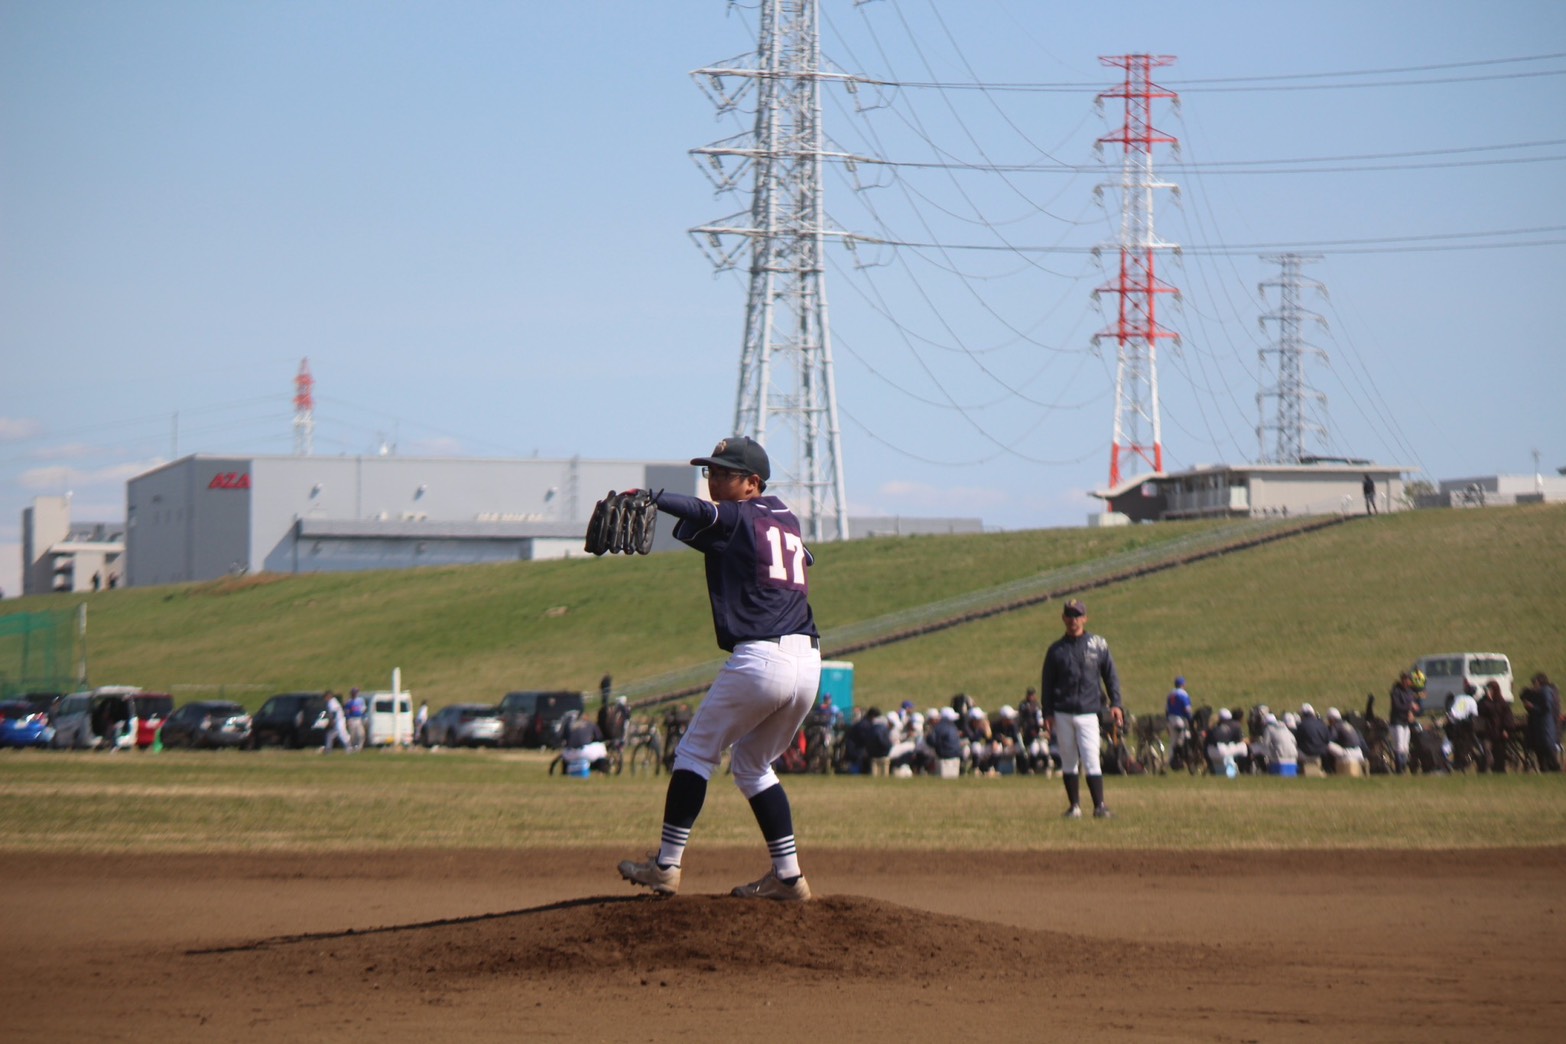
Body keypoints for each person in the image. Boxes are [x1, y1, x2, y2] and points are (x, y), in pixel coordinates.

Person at [618, 436, 822, 902]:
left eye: (724, 474)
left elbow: (705, 515)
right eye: (710, 472)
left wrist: (654, 498)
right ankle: (788, 877)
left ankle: (666, 866)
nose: (713, 480)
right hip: (808, 662)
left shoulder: (740, 513)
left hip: (761, 659)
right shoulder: (785, 518)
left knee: (693, 753)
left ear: (752, 483)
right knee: (752, 765)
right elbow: (793, 556)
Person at [1040, 598, 1123, 819]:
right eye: (1069, 615)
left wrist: (1116, 703)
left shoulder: (1098, 645)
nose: (1073, 620)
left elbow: (1110, 676)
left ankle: (1099, 806)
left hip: (1088, 711)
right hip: (1063, 711)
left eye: (1077, 616)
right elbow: (1047, 683)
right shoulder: (1056, 650)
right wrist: (1047, 712)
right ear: (1063, 618)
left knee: (1091, 757)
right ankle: (1074, 806)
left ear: (1085, 618)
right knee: (1068, 759)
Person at [1520, 673, 1561, 772]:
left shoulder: (1545, 691)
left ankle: (1555, 769)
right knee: (1542, 750)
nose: (1533, 685)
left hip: (1545, 726)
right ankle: (1547, 770)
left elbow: (1547, 708)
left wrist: (1532, 707)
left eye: (1534, 683)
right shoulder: (1542, 692)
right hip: (1541, 726)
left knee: (1547, 749)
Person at [1477, 679, 1515, 774]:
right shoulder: (1482, 702)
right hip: (1487, 731)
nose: (1488, 692)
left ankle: (1499, 771)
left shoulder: (1502, 703)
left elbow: (1508, 717)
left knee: (1499, 753)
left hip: (1499, 732)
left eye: (1490, 689)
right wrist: (1487, 700)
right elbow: (1481, 711)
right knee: (1486, 751)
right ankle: (1485, 770)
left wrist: (1506, 729)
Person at [1387, 672, 1421, 774]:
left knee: (1405, 747)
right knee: (1399, 746)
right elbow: (1397, 706)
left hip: (1406, 722)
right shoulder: (1396, 692)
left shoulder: (1410, 692)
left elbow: (1414, 706)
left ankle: (1403, 768)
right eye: (1405, 680)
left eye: (1409, 680)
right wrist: (1410, 708)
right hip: (1397, 722)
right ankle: (1399, 770)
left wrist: (1413, 712)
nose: (1407, 682)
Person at [561, 710, 609, 775]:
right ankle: (602, 771)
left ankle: (565, 772)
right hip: (584, 752)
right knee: (601, 747)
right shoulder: (590, 724)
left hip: (570, 754)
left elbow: (564, 738)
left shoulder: (569, 725)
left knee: (566, 752)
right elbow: (599, 738)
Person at [1205, 708, 1247, 775]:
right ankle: (1245, 770)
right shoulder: (1235, 724)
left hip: (1210, 751)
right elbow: (1239, 740)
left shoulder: (1214, 727)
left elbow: (1206, 744)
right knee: (1243, 746)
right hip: (1222, 750)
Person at [1325, 708, 1367, 773]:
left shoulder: (1336, 726)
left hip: (1348, 755)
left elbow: (1331, 738)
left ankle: (1328, 769)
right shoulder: (1347, 724)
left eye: (1329, 720)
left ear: (1332, 719)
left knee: (1326, 744)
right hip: (1359, 752)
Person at [1166, 677, 1193, 770]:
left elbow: (1167, 709)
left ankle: (1169, 761)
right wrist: (1191, 720)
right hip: (1179, 720)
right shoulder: (1183, 694)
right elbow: (1187, 710)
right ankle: (1181, 759)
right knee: (1184, 738)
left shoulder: (1170, 694)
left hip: (1170, 719)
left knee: (1172, 741)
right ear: (1183, 684)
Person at [1294, 703, 1330, 771]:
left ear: (1303, 714)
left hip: (1306, 754)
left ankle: (1298, 771)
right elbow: (1327, 739)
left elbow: (1297, 741)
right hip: (1320, 753)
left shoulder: (1301, 725)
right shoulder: (1322, 724)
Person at [345, 687, 367, 752]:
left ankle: (359, 747)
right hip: (352, 719)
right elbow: (347, 711)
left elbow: (364, 710)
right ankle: (351, 747)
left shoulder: (361, 700)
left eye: (356, 692)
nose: (355, 694)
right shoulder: (349, 701)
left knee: (361, 734)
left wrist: (365, 717)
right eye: (353, 692)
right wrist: (348, 719)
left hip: (359, 719)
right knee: (352, 735)